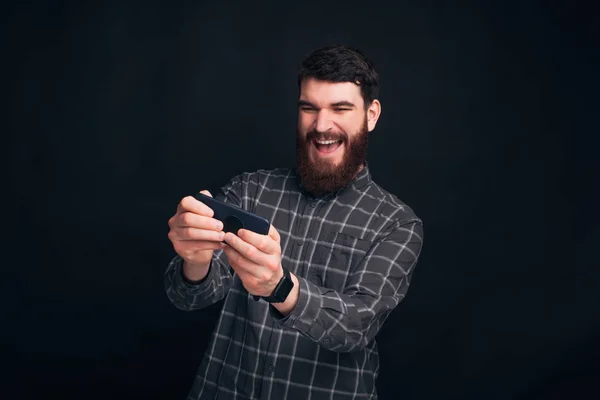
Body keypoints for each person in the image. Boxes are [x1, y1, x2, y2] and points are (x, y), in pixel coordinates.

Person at [164, 45, 424, 400]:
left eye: (340, 109)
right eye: (309, 108)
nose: (321, 125)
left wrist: (280, 287)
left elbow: (357, 326)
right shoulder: (250, 190)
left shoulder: (397, 224)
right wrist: (195, 259)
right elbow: (189, 297)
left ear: (371, 115)